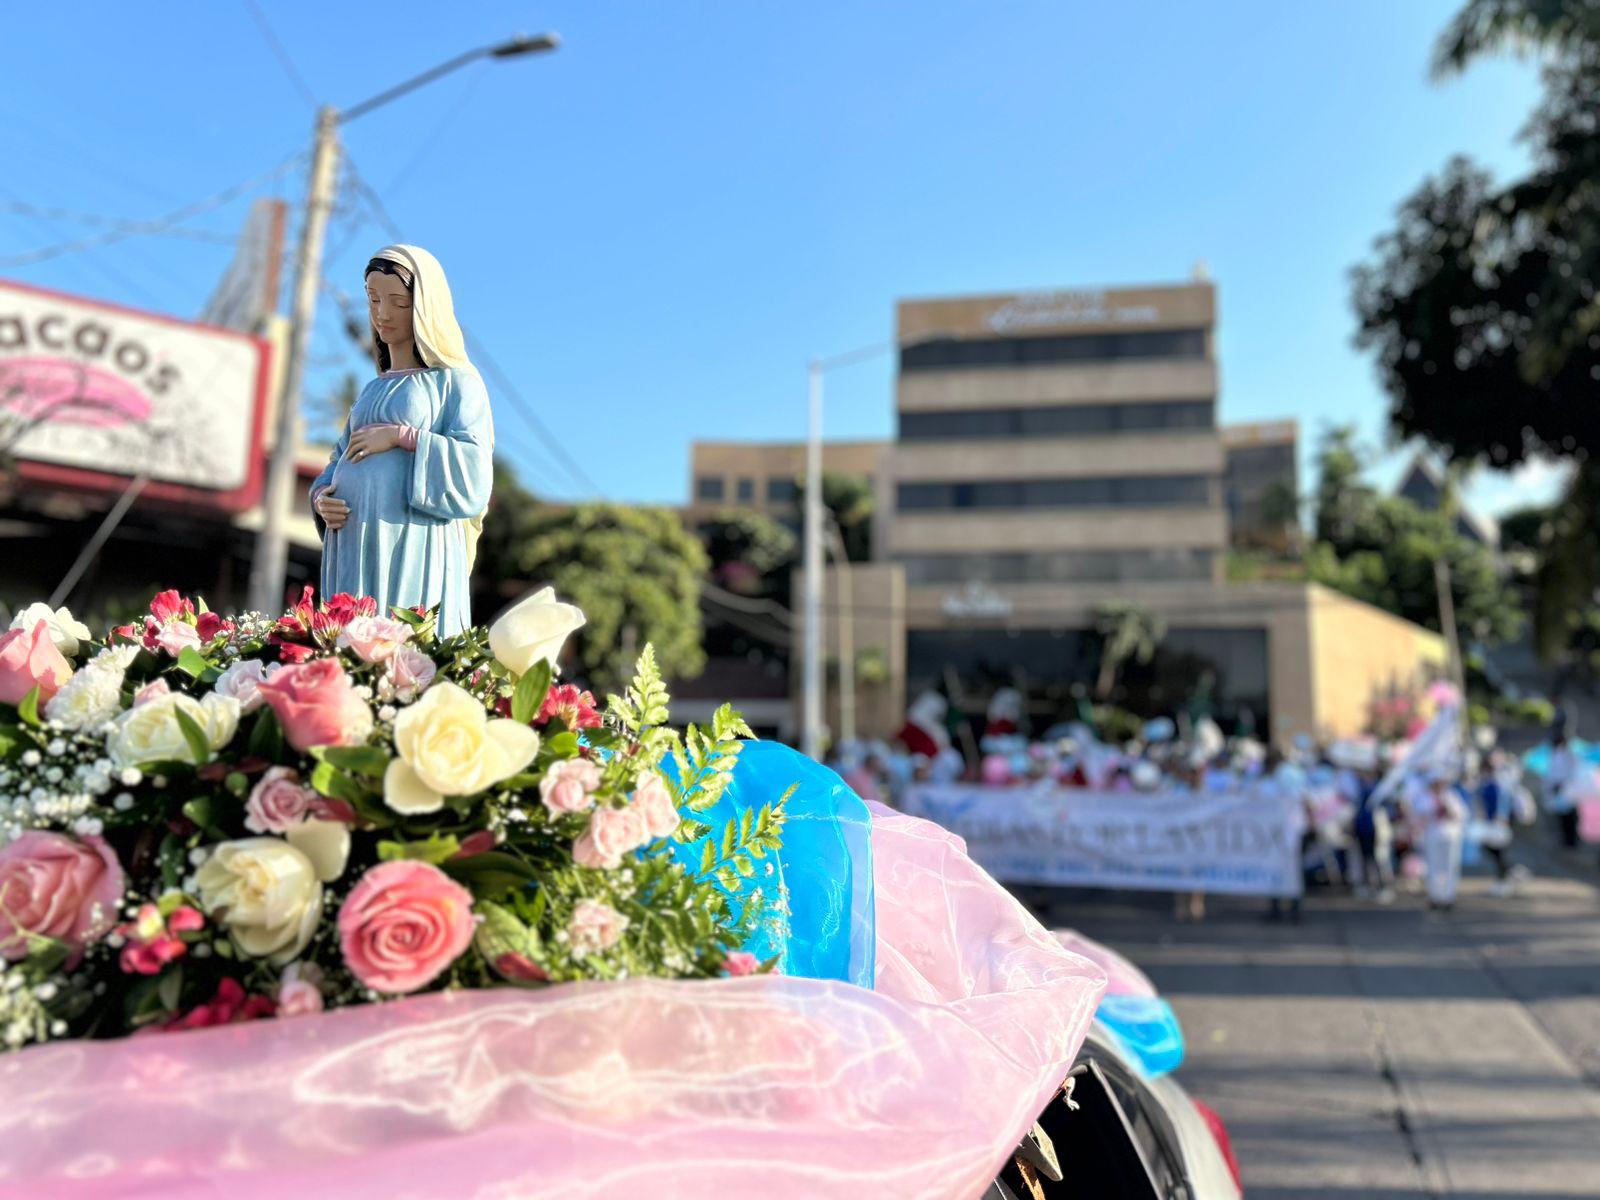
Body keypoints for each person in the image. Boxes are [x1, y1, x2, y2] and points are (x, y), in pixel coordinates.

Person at [309, 245, 493, 637]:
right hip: (353, 543)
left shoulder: (455, 382)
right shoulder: (371, 390)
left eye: (398, 302)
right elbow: (339, 458)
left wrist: (403, 437)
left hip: (414, 539)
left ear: (426, 307)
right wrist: (321, 497)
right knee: (352, 644)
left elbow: (474, 471)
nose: (383, 314)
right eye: (374, 300)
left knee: (403, 643)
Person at [1415, 769, 1468, 911]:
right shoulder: (1424, 797)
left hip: (1450, 835)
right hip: (1433, 835)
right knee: (1434, 866)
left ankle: (1448, 896)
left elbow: (1462, 815)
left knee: (1450, 865)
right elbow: (1420, 815)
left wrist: (1449, 809)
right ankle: (1435, 896)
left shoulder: (1451, 796)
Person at [1544, 732, 1579, 849]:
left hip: (1566, 789)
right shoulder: (1556, 754)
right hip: (1560, 789)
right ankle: (1567, 841)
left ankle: (1571, 841)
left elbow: (1570, 773)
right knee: (1564, 818)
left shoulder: (1567, 754)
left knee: (1569, 819)